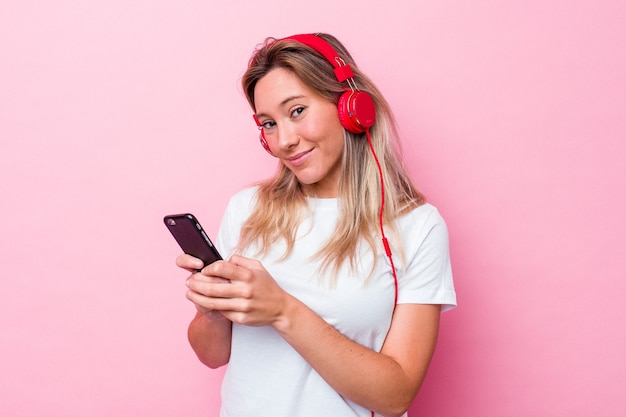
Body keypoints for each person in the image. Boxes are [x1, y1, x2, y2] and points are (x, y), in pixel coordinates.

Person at [176, 33, 456, 417]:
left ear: (350, 106)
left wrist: (282, 310)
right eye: (269, 124)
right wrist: (212, 312)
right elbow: (212, 355)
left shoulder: (418, 228)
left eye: (296, 111)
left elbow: (396, 396)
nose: (284, 141)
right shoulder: (247, 209)